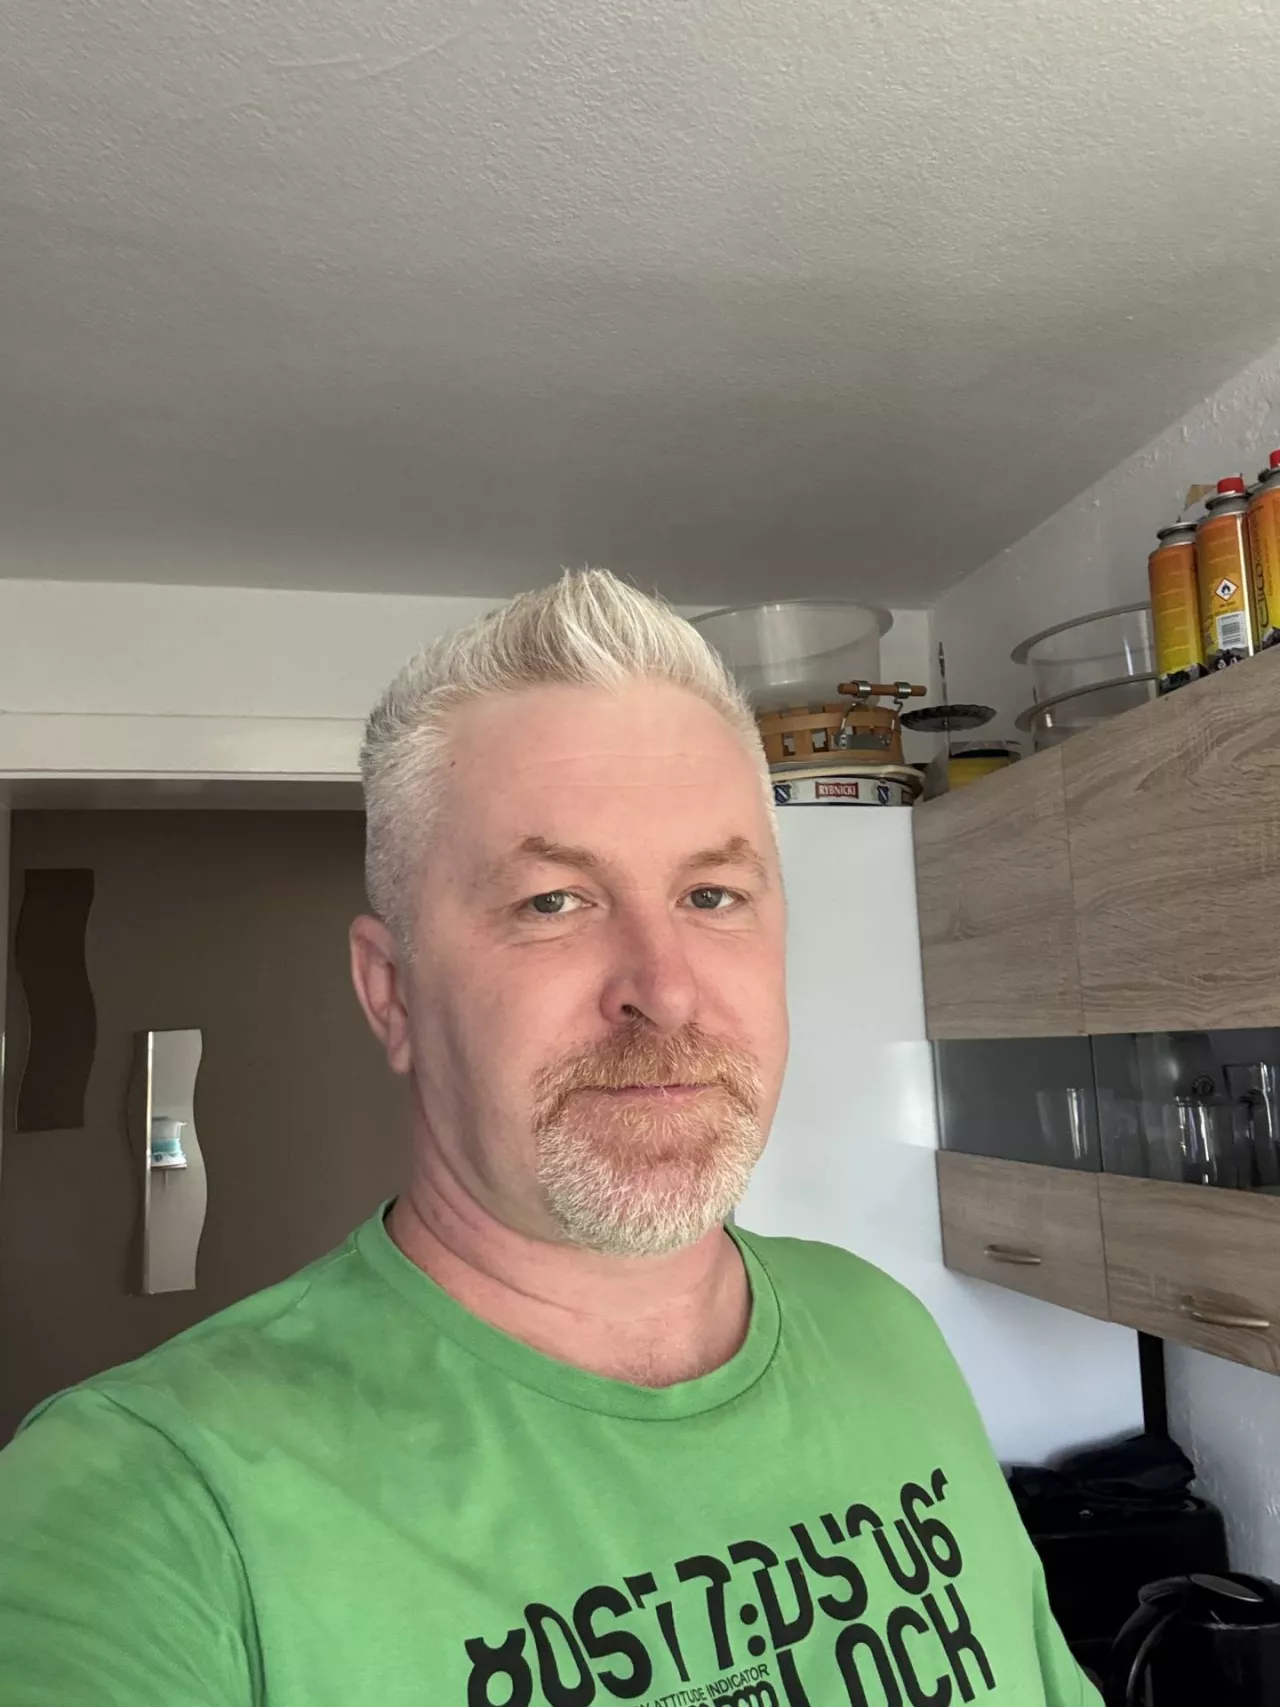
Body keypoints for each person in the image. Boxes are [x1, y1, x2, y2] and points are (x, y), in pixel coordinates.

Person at [0, 570, 1097, 1706]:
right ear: (390, 993)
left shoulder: (884, 1331)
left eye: (712, 895)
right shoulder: (146, 1503)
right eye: (553, 901)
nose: (664, 990)